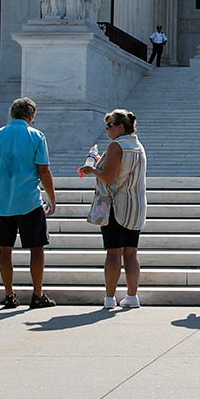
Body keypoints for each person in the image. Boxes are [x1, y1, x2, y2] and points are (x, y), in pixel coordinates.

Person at [0, 96, 57, 311]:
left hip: (0, 202)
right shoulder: (37, 136)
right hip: (28, 201)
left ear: (11, 114)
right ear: (32, 116)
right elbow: (44, 170)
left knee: (5, 249)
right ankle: (37, 294)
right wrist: (52, 197)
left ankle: (9, 294)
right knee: (37, 248)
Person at [84, 109, 147, 311]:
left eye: (110, 125)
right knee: (131, 252)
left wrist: (92, 169)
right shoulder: (138, 146)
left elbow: (109, 177)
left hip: (115, 206)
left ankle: (110, 297)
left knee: (113, 253)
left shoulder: (116, 146)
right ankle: (132, 295)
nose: (107, 130)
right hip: (135, 207)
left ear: (121, 126)